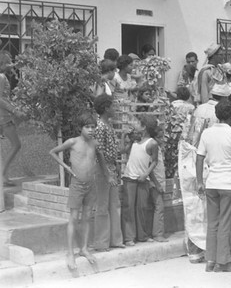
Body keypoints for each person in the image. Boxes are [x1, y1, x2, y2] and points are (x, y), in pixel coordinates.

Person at [49, 112, 109, 270]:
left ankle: (84, 248)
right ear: (80, 128)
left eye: (92, 127)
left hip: (91, 185)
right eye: (87, 127)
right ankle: (70, 252)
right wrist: (67, 168)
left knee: (87, 217)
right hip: (77, 184)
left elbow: (102, 161)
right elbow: (53, 152)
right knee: (74, 217)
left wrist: (108, 176)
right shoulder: (72, 142)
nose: (90, 130)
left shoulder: (95, 144)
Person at [196, 100, 231, 272]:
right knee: (225, 224)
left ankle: (210, 261)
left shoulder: (206, 134)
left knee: (212, 223)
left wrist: (199, 181)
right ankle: (223, 262)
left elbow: (199, 158)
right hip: (229, 183)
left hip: (211, 183)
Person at [121, 116, 159, 246]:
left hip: (143, 179)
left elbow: (154, 161)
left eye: (138, 123)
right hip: (129, 177)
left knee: (142, 207)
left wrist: (146, 174)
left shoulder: (152, 143)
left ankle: (142, 235)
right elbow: (123, 151)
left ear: (144, 127)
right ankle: (129, 237)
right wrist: (124, 137)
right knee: (129, 207)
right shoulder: (134, 140)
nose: (135, 124)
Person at [93, 94, 124, 251]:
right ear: (106, 108)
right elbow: (99, 153)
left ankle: (115, 240)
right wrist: (107, 173)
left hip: (111, 167)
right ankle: (101, 242)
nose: (115, 108)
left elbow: (113, 150)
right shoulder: (100, 127)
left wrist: (116, 167)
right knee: (102, 206)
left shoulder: (109, 125)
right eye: (112, 105)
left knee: (114, 204)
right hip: (102, 169)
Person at [0, 51, 24, 187]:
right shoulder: (2, 77)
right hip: (4, 116)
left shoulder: (4, 77)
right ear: (2, 65)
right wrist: (14, 110)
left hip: (5, 115)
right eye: (8, 62)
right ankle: (3, 175)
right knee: (16, 144)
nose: (11, 65)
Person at [148, 123, 169, 242]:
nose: (161, 139)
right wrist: (157, 184)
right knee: (159, 208)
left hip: (159, 182)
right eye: (159, 137)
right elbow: (150, 168)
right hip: (155, 184)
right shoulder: (153, 148)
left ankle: (156, 233)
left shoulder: (159, 149)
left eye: (162, 137)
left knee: (158, 208)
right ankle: (158, 234)